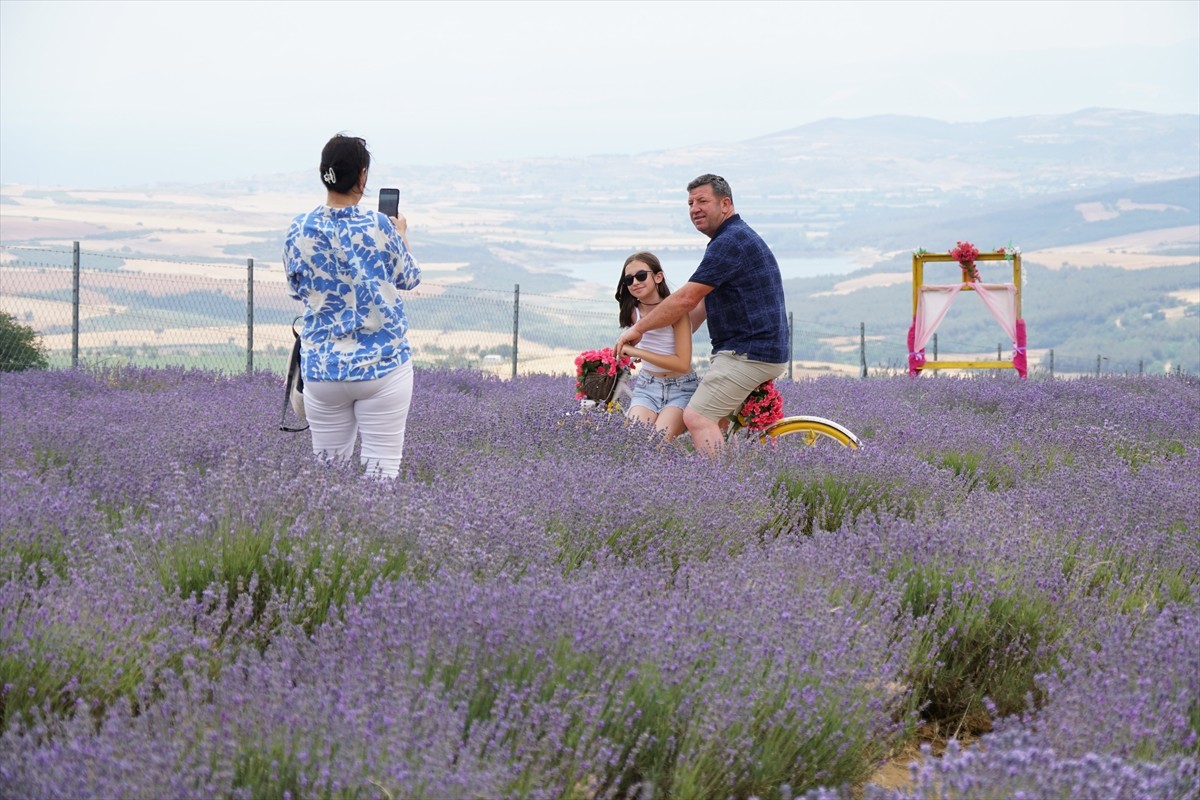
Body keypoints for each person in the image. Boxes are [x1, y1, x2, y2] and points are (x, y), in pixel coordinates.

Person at [614, 174, 788, 456]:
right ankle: (733, 474)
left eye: (703, 201)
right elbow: (701, 305)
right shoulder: (731, 238)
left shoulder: (730, 242)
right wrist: (665, 337)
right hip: (755, 349)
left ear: (726, 204)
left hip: (748, 352)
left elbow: (686, 297)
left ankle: (720, 492)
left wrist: (638, 330)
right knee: (715, 422)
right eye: (690, 202)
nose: (694, 208)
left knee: (697, 417)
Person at [283, 133, 421, 479]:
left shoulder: (299, 229)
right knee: (381, 473)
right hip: (383, 368)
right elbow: (408, 278)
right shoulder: (379, 226)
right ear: (362, 177)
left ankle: (324, 532)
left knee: (328, 475)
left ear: (323, 172)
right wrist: (401, 234)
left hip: (323, 369)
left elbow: (297, 290)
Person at [613, 252, 699, 439]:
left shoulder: (677, 312)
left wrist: (637, 351)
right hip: (647, 387)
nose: (635, 282)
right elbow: (630, 347)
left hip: (681, 389)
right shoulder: (632, 312)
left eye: (641, 275)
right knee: (634, 440)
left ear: (658, 277)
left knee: (655, 443)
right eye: (629, 279)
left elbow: (682, 364)